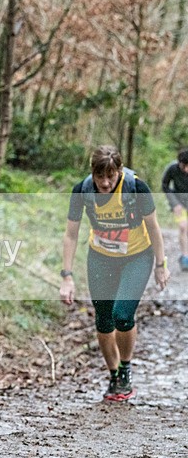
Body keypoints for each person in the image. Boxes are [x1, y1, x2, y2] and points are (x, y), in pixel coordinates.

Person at [60, 145, 169, 401]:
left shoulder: (136, 188)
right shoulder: (82, 191)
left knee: (122, 314)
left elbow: (154, 228)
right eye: (100, 177)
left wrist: (161, 265)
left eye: (111, 176)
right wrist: (67, 276)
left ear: (119, 171)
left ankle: (126, 367)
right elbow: (70, 234)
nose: (105, 183)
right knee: (104, 319)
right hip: (101, 258)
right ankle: (113, 376)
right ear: (92, 173)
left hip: (137, 257)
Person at [161, 149, 188, 271]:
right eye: (184, 166)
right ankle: (185, 257)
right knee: (183, 227)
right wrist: (174, 203)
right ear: (179, 163)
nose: (186, 169)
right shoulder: (172, 169)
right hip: (179, 203)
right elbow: (165, 185)